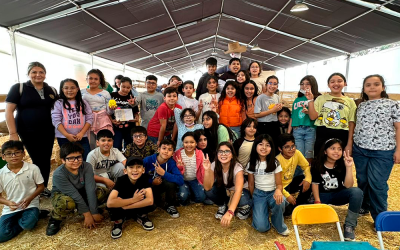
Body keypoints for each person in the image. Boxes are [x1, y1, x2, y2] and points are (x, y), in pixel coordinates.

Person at [352, 74, 400, 223]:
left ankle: (380, 218)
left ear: (383, 87)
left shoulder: (393, 104)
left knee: (377, 183)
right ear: (364, 89)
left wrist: (398, 150)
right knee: (363, 180)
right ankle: (364, 206)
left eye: (376, 84)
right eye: (368, 85)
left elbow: (398, 128)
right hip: (360, 148)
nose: (372, 87)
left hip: (383, 150)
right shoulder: (361, 105)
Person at [5, 62, 57, 197]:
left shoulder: (51, 89)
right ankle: (34, 189)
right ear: (28, 74)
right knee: (36, 158)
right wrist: (13, 133)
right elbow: (9, 111)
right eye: (34, 72)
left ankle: (43, 187)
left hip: (47, 130)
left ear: (45, 74)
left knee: (45, 159)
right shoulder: (19, 88)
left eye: (41, 72)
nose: (38, 75)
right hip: (27, 131)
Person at [46, 142, 103, 236]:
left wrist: (94, 212)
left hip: (81, 191)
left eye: (78, 157)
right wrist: (87, 214)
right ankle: (55, 218)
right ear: (63, 160)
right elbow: (74, 195)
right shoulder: (59, 174)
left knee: (102, 192)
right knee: (67, 203)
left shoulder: (87, 166)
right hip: (64, 194)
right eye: (71, 158)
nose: (76, 161)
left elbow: (90, 189)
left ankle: (88, 208)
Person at [311, 138, 363, 241]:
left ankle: (349, 225)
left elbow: (348, 186)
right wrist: (317, 201)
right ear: (325, 151)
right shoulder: (317, 164)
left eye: (339, 149)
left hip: (338, 194)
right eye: (333, 148)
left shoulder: (342, 164)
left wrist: (349, 167)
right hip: (322, 195)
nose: (336, 152)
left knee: (357, 192)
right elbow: (315, 184)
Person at [0, 141, 44, 242]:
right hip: (11, 207)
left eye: (17, 152)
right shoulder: (1, 173)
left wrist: (29, 199)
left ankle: (32, 216)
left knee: (28, 225)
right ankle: (23, 220)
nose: (13, 156)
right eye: (9, 153)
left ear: (23, 154)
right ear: (3, 157)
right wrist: (8, 203)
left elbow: (41, 187)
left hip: (30, 204)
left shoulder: (33, 168)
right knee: (1, 236)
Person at [246, 134, 288, 235]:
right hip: (259, 194)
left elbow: (279, 184)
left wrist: (278, 190)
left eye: (267, 145)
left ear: (271, 148)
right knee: (261, 227)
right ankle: (263, 212)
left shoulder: (275, 163)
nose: (264, 147)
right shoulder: (251, 163)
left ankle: (277, 223)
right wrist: (254, 200)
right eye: (261, 144)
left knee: (280, 201)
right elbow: (251, 184)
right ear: (255, 146)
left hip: (272, 192)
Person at [306, 73, 357, 155]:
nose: (336, 84)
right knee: (320, 159)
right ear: (328, 85)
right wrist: (310, 100)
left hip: (342, 133)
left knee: (339, 161)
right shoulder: (320, 98)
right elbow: (312, 117)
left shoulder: (350, 102)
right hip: (323, 132)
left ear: (345, 84)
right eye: (332, 82)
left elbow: (351, 123)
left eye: (339, 81)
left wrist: (349, 144)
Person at [203, 142, 252, 227]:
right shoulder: (214, 164)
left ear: (232, 155)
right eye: (220, 151)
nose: (223, 154)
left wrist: (230, 212)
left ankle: (245, 207)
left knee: (243, 200)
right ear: (217, 154)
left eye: (227, 151)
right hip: (227, 191)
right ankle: (223, 205)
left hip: (241, 191)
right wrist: (207, 170)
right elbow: (207, 187)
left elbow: (238, 191)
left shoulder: (238, 167)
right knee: (210, 192)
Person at [107, 157, 156, 239]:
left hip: (128, 207)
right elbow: (109, 203)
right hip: (124, 207)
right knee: (113, 207)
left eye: (138, 167)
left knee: (151, 204)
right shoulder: (121, 180)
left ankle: (141, 216)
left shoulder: (144, 179)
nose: (135, 170)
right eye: (131, 167)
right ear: (125, 171)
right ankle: (119, 221)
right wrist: (133, 200)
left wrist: (127, 206)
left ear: (143, 170)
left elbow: (150, 200)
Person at [52, 78, 93, 160]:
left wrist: (82, 133)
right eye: (66, 88)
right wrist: (67, 135)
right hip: (64, 138)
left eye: (73, 88)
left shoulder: (83, 102)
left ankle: (84, 173)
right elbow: (56, 120)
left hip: (82, 137)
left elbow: (90, 118)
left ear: (78, 89)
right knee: (69, 160)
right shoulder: (58, 103)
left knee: (85, 159)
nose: (69, 90)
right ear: (62, 89)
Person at [143, 139, 183, 218]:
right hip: (147, 187)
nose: (166, 151)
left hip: (161, 186)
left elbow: (180, 180)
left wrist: (164, 173)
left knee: (171, 183)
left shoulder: (171, 163)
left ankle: (170, 205)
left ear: (173, 153)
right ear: (158, 149)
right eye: (164, 148)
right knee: (151, 206)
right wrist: (151, 182)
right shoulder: (148, 160)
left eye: (170, 150)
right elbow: (139, 177)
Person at [86, 129, 126, 203]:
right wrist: (105, 180)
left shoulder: (115, 151)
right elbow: (88, 175)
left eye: (109, 140)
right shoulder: (92, 155)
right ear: (97, 143)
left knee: (121, 167)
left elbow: (125, 163)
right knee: (102, 190)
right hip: (98, 178)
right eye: (103, 140)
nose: (106, 143)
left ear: (112, 142)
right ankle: (104, 202)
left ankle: (120, 190)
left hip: (111, 174)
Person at [276, 134, 312, 216]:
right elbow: (276, 184)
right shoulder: (277, 161)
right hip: (280, 188)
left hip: (290, 183)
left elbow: (306, 166)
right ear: (280, 148)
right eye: (287, 147)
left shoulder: (297, 153)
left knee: (308, 180)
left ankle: (298, 206)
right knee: (287, 212)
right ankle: (292, 207)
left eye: (293, 146)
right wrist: (288, 196)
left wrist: (307, 179)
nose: (291, 149)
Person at [81, 69, 113, 150]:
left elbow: (109, 111)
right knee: (91, 143)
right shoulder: (81, 92)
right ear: (87, 79)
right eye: (90, 78)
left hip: (103, 121)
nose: (93, 81)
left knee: (105, 143)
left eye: (96, 79)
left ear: (100, 81)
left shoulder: (106, 93)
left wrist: (112, 109)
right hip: (88, 121)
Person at [291, 75, 320, 164]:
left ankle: (308, 173)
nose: (304, 86)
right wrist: (289, 132)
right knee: (298, 153)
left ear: (313, 85)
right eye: (302, 84)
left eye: (308, 84)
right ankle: (300, 174)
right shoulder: (297, 100)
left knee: (309, 153)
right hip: (297, 129)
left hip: (310, 128)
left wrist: (309, 111)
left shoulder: (317, 98)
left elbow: (317, 115)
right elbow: (293, 117)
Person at [173, 132, 207, 205]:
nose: (189, 145)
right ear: (182, 143)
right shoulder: (178, 154)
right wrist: (180, 167)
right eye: (186, 142)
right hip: (182, 180)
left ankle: (191, 194)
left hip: (195, 179)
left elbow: (202, 169)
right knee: (183, 197)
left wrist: (203, 182)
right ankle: (186, 193)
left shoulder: (199, 153)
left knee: (201, 198)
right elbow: (174, 171)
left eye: (192, 142)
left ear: (196, 144)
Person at [110, 77, 139, 151]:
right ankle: (117, 161)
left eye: (128, 87)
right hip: (116, 126)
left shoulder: (131, 97)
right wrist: (112, 120)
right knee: (116, 146)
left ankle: (127, 160)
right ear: (119, 85)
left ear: (131, 88)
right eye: (123, 87)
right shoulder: (112, 95)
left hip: (129, 126)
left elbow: (136, 112)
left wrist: (136, 118)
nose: (125, 89)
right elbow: (107, 111)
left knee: (129, 146)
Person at [254, 75, 282, 147]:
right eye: (270, 83)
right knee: (264, 146)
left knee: (274, 146)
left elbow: (276, 111)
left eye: (275, 84)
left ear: (277, 86)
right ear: (266, 85)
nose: (272, 86)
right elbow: (256, 115)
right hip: (264, 125)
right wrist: (272, 110)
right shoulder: (260, 98)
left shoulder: (277, 97)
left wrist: (279, 109)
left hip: (275, 124)